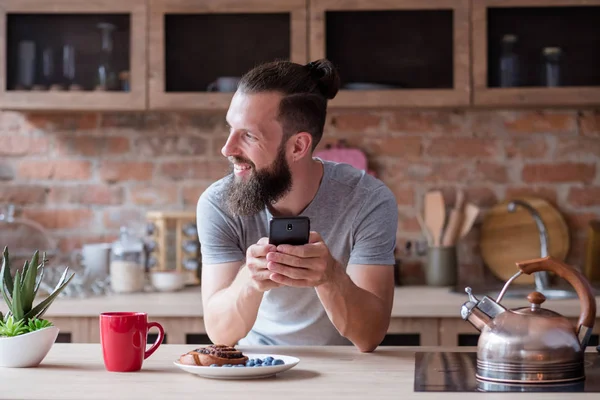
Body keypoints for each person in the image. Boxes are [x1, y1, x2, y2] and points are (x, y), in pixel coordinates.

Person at [196, 58, 398, 352]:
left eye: (248, 135)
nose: (227, 148)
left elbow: (369, 336)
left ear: (298, 147)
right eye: (230, 129)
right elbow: (219, 333)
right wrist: (250, 281)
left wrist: (330, 277)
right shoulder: (218, 203)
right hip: (257, 365)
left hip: (345, 369)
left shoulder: (368, 200)